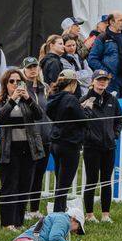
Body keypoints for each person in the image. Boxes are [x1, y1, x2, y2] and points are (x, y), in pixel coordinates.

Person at [0, 69, 45, 229]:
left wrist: (28, 99)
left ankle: (19, 221)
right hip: (9, 149)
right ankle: (7, 222)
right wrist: (12, 100)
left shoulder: (27, 100)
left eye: (18, 81)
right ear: (5, 84)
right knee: (9, 186)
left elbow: (39, 115)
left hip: (28, 149)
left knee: (24, 186)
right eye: (11, 81)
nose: (15, 84)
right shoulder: (1, 101)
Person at [79, 69, 122, 223]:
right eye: (99, 79)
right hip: (92, 146)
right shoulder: (85, 99)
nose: (102, 82)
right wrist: (88, 136)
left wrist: (114, 134)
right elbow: (80, 121)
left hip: (109, 146)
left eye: (105, 79)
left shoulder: (112, 99)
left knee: (106, 181)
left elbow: (119, 120)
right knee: (91, 180)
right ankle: (89, 214)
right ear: (93, 81)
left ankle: (106, 214)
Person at [43, 69, 87, 213]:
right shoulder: (71, 99)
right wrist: (87, 109)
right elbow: (84, 120)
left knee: (60, 179)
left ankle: (60, 209)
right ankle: (58, 212)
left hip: (56, 141)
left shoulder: (54, 97)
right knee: (64, 182)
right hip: (70, 143)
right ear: (72, 83)